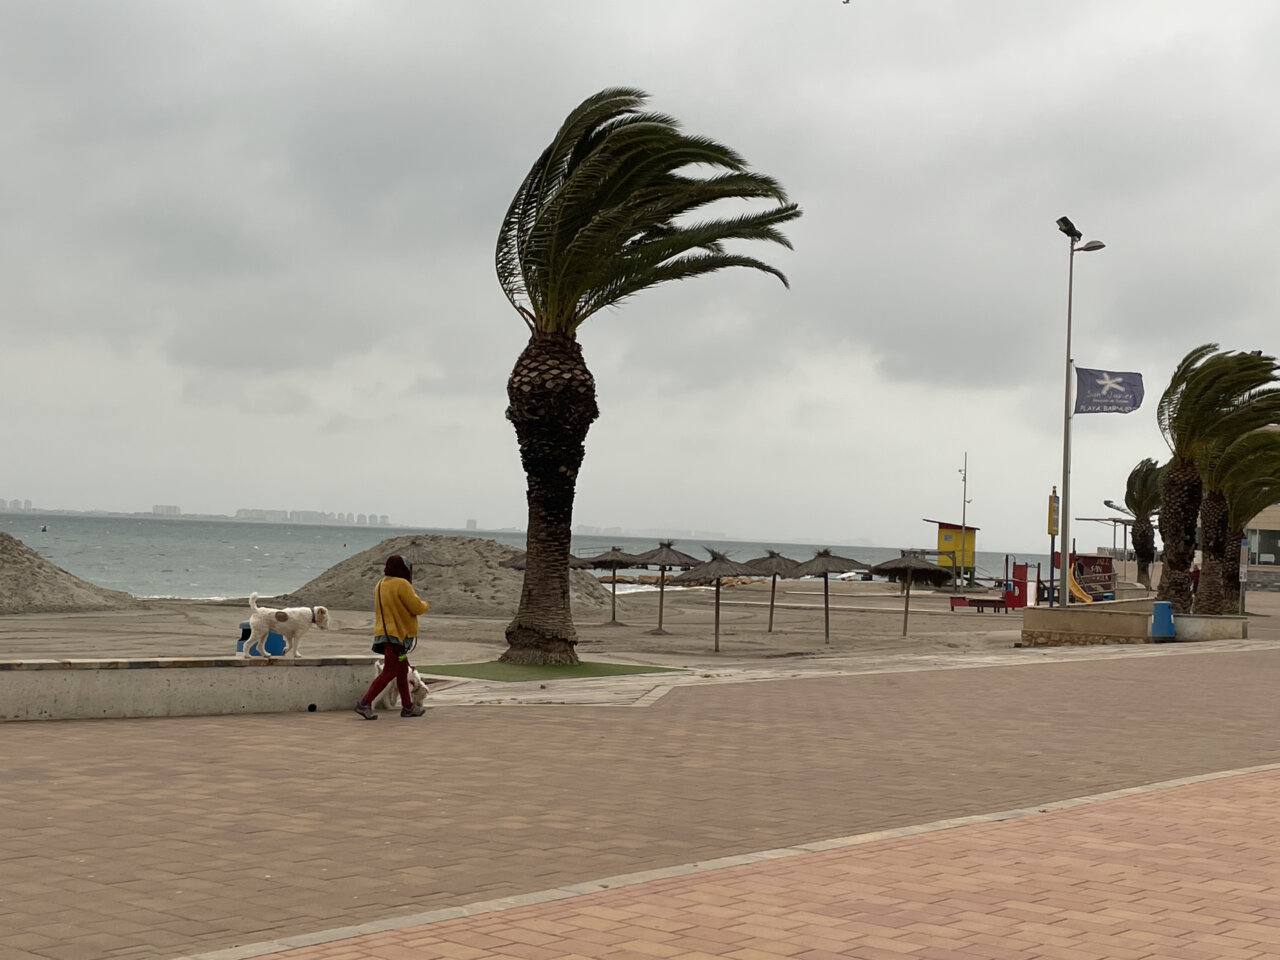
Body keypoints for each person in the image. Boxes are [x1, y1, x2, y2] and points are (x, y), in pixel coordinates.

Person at [354, 554, 429, 719]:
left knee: (402, 671)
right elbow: (416, 607)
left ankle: (407, 706)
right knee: (389, 672)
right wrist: (425, 604)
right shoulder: (402, 584)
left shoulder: (380, 584)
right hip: (397, 635)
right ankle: (364, 703)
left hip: (384, 634)